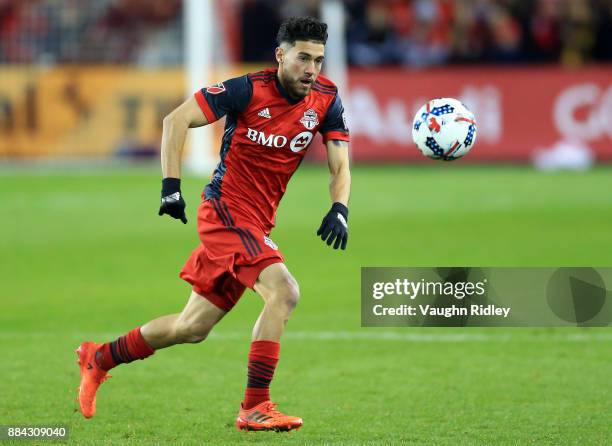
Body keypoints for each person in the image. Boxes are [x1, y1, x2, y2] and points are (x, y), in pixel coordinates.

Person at [76, 16, 351, 432]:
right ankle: (255, 406)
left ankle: (99, 357)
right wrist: (171, 186)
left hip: (256, 224)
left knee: (192, 327)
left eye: (318, 60)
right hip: (224, 212)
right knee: (284, 292)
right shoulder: (247, 89)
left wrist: (339, 208)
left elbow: (340, 165)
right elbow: (175, 120)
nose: (311, 69)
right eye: (302, 58)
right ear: (281, 56)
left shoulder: (326, 99)